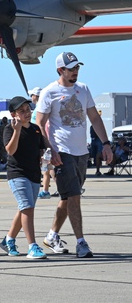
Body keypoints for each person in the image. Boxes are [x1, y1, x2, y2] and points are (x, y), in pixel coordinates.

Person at [35, 51, 113, 258]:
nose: (75, 72)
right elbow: (40, 124)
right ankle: (81, 243)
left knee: (68, 197)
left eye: (77, 68)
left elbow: (95, 119)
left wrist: (105, 144)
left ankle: (52, 235)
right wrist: (49, 149)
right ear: (60, 70)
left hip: (82, 152)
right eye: (71, 69)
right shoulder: (49, 92)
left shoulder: (83, 89)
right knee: (75, 197)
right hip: (62, 152)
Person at [0, 96, 49, 259]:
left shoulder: (35, 129)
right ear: (14, 114)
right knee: (27, 207)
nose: (26, 113)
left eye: (28, 110)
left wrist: (48, 157)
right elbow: (10, 151)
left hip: (34, 174)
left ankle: (8, 239)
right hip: (17, 174)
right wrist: (17, 130)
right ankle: (32, 246)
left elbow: (42, 149)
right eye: (22, 111)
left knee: (24, 209)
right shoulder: (9, 129)